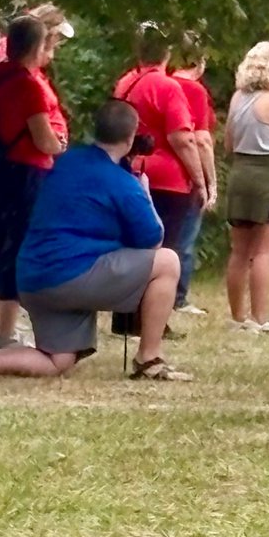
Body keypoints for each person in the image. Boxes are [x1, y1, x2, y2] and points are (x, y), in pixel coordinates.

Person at [0, 100, 188, 381]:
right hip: (71, 277)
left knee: (57, 360)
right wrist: (144, 192)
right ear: (131, 136)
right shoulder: (122, 183)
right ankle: (149, 358)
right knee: (168, 262)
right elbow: (153, 240)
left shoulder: (66, 161)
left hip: (33, 279)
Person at [0, 15, 65, 346]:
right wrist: (61, 144)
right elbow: (44, 139)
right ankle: (6, 331)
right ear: (36, 46)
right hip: (27, 170)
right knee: (18, 248)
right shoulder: (28, 85)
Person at [113, 23, 206, 317]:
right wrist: (200, 180)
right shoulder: (167, 86)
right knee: (167, 250)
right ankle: (155, 318)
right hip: (167, 177)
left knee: (134, 245)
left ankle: (127, 315)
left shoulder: (126, 82)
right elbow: (183, 137)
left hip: (131, 170)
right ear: (167, 52)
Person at [223, 41, 269, 333]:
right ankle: (260, 318)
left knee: (239, 250)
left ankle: (237, 317)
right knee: (264, 251)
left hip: (240, 172)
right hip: (268, 174)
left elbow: (228, 143)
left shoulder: (238, 98)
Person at [169, 30, 216, 315]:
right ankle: (178, 297)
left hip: (148, 170)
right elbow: (201, 139)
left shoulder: (155, 81)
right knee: (184, 239)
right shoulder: (194, 90)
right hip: (182, 174)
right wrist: (210, 183)